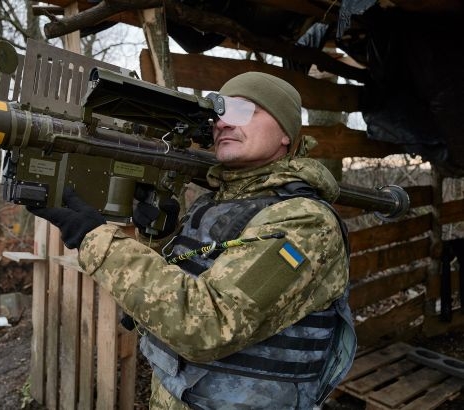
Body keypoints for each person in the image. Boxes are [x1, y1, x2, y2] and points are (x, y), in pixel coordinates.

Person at [28, 72, 357, 409]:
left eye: (245, 111)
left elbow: (208, 324)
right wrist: (157, 239)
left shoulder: (305, 222)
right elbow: (183, 285)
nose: (224, 124)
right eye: (221, 112)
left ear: (286, 133)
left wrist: (95, 239)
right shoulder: (216, 202)